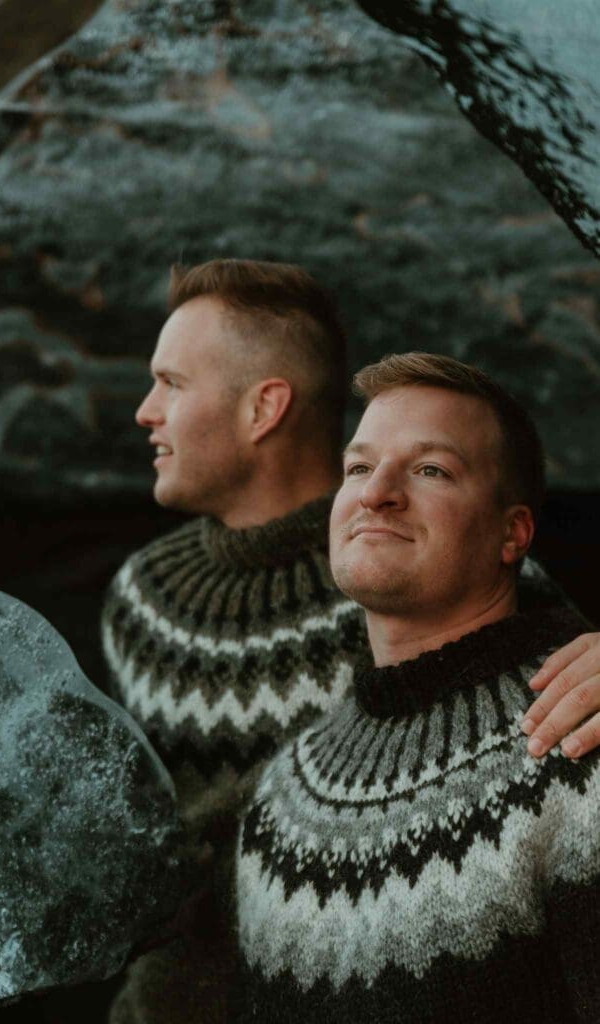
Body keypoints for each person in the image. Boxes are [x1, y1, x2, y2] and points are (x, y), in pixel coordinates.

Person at [102, 261, 600, 1023]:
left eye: (170, 383)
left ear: (265, 406)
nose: (144, 411)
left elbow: (561, 667)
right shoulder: (145, 604)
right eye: (359, 467)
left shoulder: (469, 606)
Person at [235, 353, 600, 1023]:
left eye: (431, 469)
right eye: (358, 467)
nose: (376, 493)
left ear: (512, 533)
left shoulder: (580, 737)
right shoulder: (284, 793)